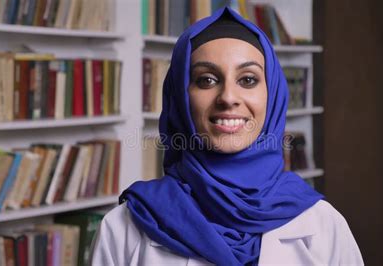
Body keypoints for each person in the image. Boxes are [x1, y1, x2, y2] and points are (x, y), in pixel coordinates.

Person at [90, 7, 364, 266]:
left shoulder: (324, 225)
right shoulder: (125, 227)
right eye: (206, 80)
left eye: (247, 80)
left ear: (273, 97)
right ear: (180, 99)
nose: (228, 98)